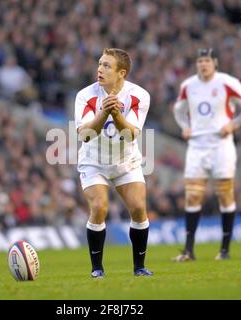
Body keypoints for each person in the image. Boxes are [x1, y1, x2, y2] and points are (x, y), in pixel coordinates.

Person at [173, 48, 241, 261]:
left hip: (221, 145)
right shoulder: (188, 85)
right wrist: (184, 126)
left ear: (215, 63)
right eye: (200, 60)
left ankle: (224, 251)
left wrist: (234, 124)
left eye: (207, 60)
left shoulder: (227, 82)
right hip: (197, 145)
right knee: (193, 195)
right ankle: (188, 251)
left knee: (224, 194)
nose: (203, 64)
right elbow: (178, 110)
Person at [74, 48, 153, 277]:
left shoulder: (139, 95)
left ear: (122, 73)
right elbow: (84, 135)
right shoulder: (85, 96)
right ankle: (97, 269)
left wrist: (117, 114)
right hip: (94, 162)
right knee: (99, 207)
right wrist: (104, 111)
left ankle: (139, 268)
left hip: (125, 161)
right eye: (100, 63)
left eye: (107, 65)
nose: (99, 69)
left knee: (139, 208)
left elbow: (130, 135)